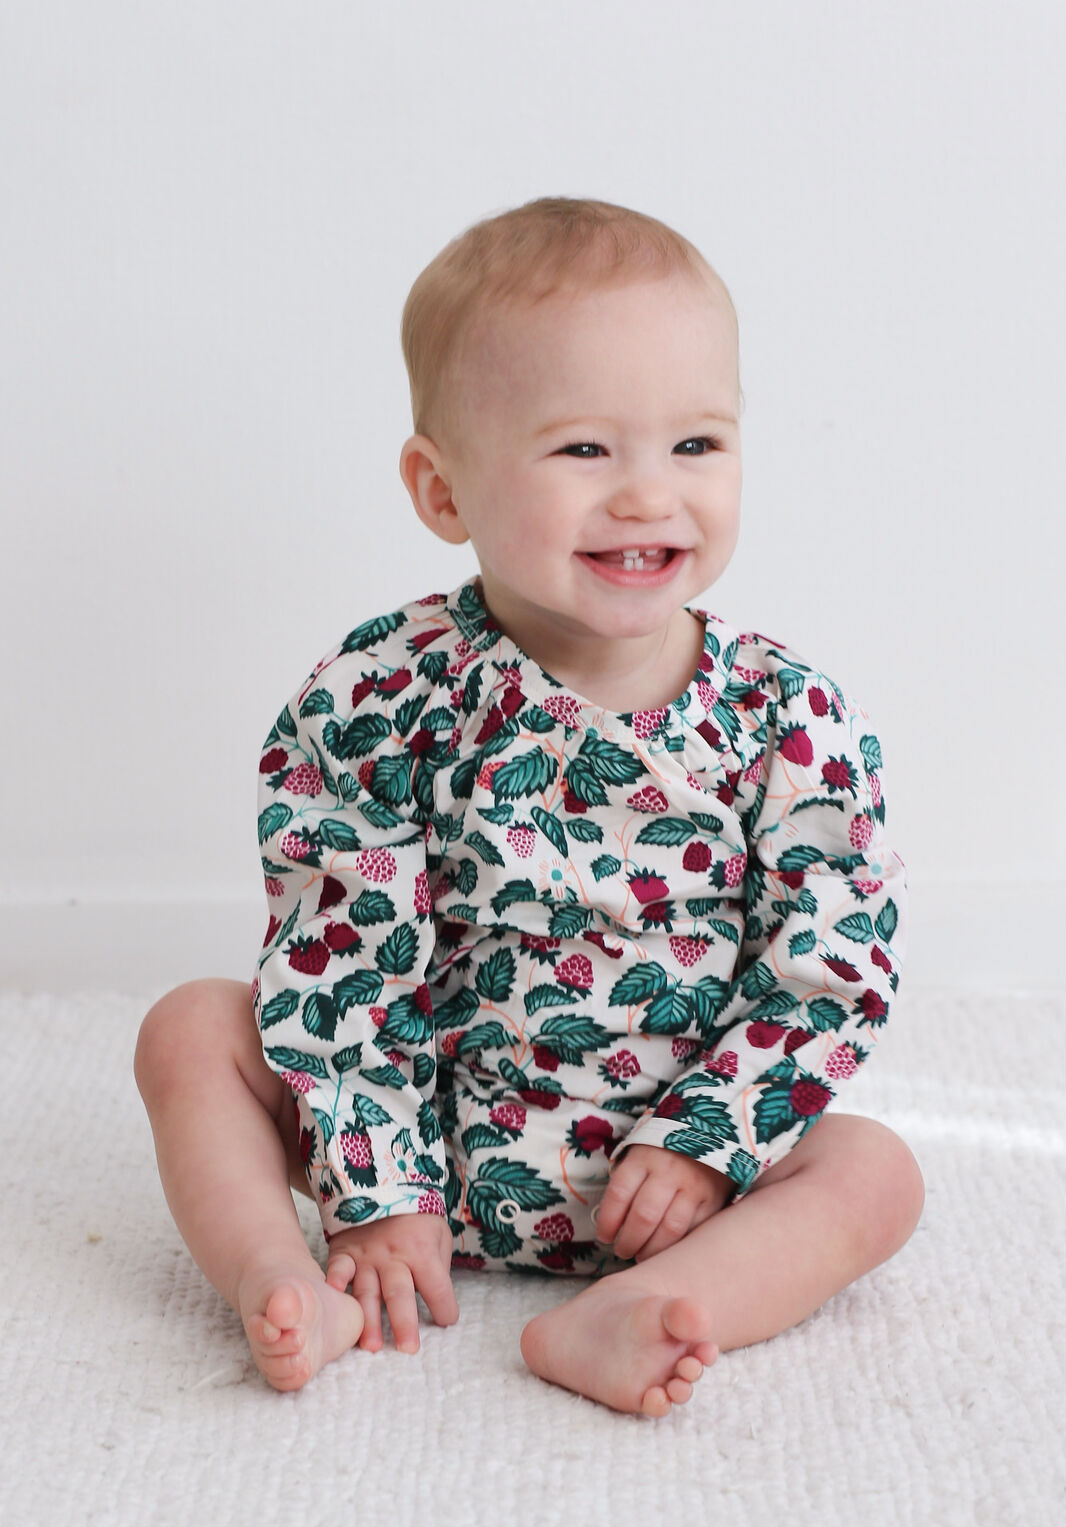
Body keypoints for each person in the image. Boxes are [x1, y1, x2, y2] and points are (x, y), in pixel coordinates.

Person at [134, 197, 924, 1417]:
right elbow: (342, 946)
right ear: (443, 490)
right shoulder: (384, 694)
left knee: (873, 1173)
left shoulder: (787, 715)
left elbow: (828, 962)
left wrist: (708, 1139)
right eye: (584, 450)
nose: (648, 495)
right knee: (192, 1031)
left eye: (695, 444)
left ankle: (648, 1306)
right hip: (429, 1143)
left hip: (676, 1174)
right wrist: (378, 1184)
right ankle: (281, 1272)